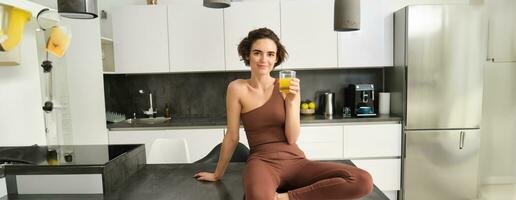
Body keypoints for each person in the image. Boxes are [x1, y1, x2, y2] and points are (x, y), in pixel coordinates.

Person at [194, 28, 373, 200]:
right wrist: (217, 174)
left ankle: (285, 198)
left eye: (270, 54)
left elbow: (292, 138)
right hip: (261, 162)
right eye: (257, 52)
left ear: (276, 58)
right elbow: (232, 136)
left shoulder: (286, 86)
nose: (264, 59)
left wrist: (291, 101)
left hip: (296, 162)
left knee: (363, 180)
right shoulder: (237, 88)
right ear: (248, 55)